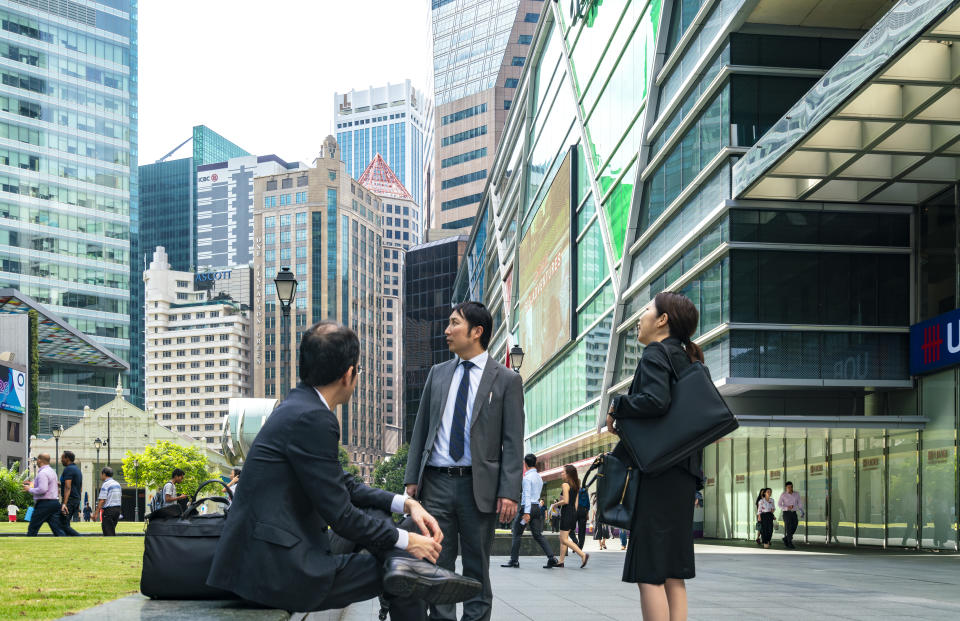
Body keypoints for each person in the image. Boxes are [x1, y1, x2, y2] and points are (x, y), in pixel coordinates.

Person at [207, 321, 480, 618]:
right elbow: (342, 516)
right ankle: (420, 573)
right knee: (402, 572)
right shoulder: (312, 418)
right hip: (274, 572)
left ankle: (416, 570)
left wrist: (406, 502)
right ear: (349, 374)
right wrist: (407, 540)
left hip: (268, 556)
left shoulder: (300, 408)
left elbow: (344, 485)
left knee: (389, 541)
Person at [404, 301, 524, 621]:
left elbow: (513, 441)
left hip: (478, 487)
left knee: (476, 570)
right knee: (437, 567)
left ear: (476, 332)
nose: (447, 330)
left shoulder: (507, 380)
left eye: (454, 323)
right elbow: (421, 429)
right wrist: (411, 478)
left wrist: (510, 491)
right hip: (436, 484)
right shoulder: (438, 373)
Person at [606, 291, 706, 621]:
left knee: (649, 571)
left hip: (657, 476)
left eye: (647, 309)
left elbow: (655, 401)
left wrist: (618, 406)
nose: (640, 316)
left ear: (663, 320)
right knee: (672, 573)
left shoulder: (655, 354)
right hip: (682, 477)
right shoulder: (688, 359)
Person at [501, 453, 558, 569]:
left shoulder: (527, 478)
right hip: (536, 507)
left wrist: (526, 513)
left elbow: (526, 496)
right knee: (537, 535)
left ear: (525, 463)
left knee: (516, 532)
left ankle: (514, 560)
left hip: (528, 508)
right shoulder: (539, 478)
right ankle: (552, 558)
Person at [550, 465, 589, 568]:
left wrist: (555, 504)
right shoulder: (576, 485)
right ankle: (561, 561)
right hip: (572, 513)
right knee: (563, 538)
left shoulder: (565, 485)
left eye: (563, 472)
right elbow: (576, 502)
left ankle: (583, 555)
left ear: (568, 474)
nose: (561, 473)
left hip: (567, 512)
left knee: (564, 539)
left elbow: (566, 501)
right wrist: (574, 514)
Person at [23, 453, 65, 536]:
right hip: (54, 503)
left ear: (39, 460)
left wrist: (29, 489)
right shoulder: (52, 472)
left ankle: (28, 545)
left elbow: (43, 489)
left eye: (37, 460)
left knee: (33, 528)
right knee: (57, 529)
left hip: (44, 503)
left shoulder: (42, 473)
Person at [58, 451, 82, 536]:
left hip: (70, 500)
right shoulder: (77, 469)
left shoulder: (68, 469)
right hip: (75, 499)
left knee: (62, 524)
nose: (61, 460)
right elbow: (78, 486)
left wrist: (64, 503)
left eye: (62, 458)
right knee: (64, 523)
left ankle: (80, 538)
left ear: (67, 458)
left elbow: (68, 487)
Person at [96, 467, 122, 535]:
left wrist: (96, 514)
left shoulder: (106, 484)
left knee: (108, 532)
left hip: (109, 511)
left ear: (104, 474)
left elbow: (102, 500)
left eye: (101, 474)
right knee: (111, 529)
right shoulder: (117, 484)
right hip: (117, 510)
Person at [778, 481, 804, 549]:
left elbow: (799, 503)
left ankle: (786, 538)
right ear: (786, 487)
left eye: (791, 487)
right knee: (789, 528)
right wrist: (787, 507)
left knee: (795, 525)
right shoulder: (783, 494)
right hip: (786, 513)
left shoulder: (796, 494)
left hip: (794, 513)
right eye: (789, 487)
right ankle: (789, 542)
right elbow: (779, 504)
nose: (790, 488)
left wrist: (802, 511)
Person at [574, 480, 590, 549]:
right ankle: (580, 546)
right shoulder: (584, 491)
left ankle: (577, 543)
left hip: (576, 510)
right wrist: (587, 513)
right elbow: (588, 503)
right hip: (583, 511)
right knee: (582, 530)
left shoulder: (575, 491)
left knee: (570, 528)